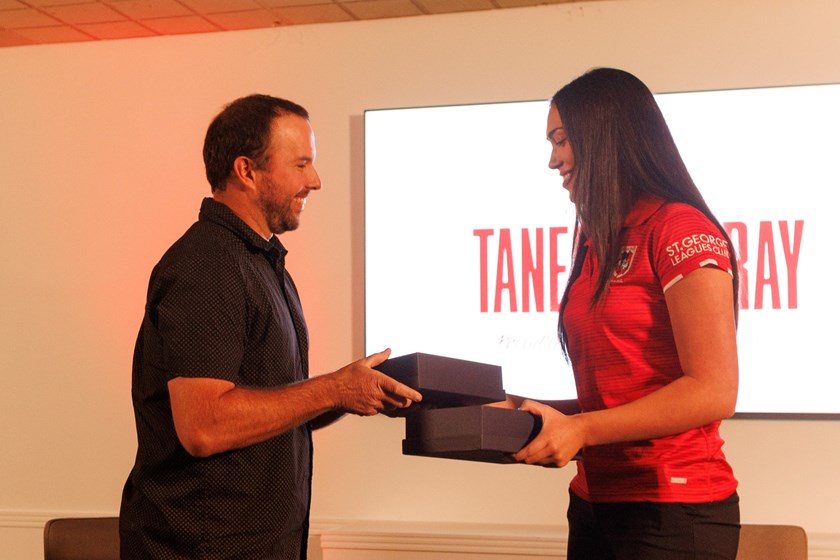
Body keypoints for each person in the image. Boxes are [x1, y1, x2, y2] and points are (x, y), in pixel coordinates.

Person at [119, 94, 422, 560]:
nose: (315, 181)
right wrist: (333, 390)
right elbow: (204, 425)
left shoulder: (259, 261)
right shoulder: (208, 266)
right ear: (247, 170)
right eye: (301, 165)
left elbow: (262, 409)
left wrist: (351, 392)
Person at [497, 68, 741, 559]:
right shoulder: (598, 239)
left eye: (561, 140)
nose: (552, 160)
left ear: (604, 135)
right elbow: (618, 395)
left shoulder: (678, 229)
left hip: (671, 510)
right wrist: (530, 413)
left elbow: (713, 389)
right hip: (594, 503)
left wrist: (582, 429)